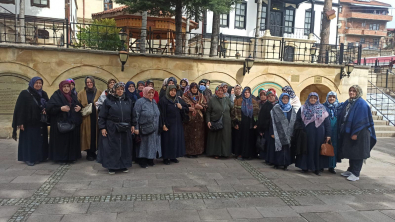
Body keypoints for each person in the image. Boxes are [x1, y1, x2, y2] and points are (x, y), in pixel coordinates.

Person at [338, 85, 376, 181]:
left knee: (358, 153)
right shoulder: (349, 102)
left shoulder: (361, 104)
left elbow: (361, 121)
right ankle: (350, 170)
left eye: (354, 91)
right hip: (351, 131)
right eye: (350, 90)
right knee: (352, 152)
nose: (351, 92)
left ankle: (356, 173)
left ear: (358, 92)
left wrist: (356, 133)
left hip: (360, 133)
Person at [12, 77, 49, 166]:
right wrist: (20, 122)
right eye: (36, 83)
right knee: (29, 141)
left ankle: (40, 157)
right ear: (32, 83)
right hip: (29, 122)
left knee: (39, 140)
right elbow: (20, 109)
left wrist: (46, 109)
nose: (38, 84)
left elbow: (48, 104)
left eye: (40, 83)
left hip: (40, 121)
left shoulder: (43, 94)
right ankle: (28, 158)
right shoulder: (25, 94)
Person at [98, 83, 133, 174]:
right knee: (112, 147)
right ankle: (112, 166)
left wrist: (133, 125)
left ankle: (124, 165)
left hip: (125, 127)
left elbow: (133, 114)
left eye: (121, 89)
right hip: (112, 127)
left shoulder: (128, 100)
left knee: (125, 146)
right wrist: (103, 128)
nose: (120, 91)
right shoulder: (108, 101)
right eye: (118, 89)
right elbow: (102, 116)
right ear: (114, 90)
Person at [294, 92, 331, 176]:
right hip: (306, 133)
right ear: (308, 98)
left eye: (315, 98)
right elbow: (298, 120)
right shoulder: (303, 108)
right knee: (306, 149)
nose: (313, 99)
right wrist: (300, 129)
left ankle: (317, 168)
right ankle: (305, 167)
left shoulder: (322, 109)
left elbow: (327, 123)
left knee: (317, 149)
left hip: (319, 134)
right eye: (311, 98)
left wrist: (328, 135)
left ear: (317, 99)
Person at [46, 80, 82, 162]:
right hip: (60, 123)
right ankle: (60, 158)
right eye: (64, 87)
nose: (66, 88)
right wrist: (60, 109)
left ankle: (71, 157)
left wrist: (79, 107)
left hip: (71, 123)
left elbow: (78, 104)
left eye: (68, 86)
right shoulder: (56, 95)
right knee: (61, 142)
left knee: (71, 141)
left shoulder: (73, 95)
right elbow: (49, 108)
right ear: (61, 87)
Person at [132, 86, 162, 168]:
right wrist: (136, 128)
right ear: (145, 93)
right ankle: (142, 160)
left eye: (152, 93)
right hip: (144, 128)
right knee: (144, 145)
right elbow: (136, 116)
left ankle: (150, 159)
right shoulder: (140, 102)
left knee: (152, 144)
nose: (151, 94)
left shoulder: (154, 102)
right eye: (149, 93)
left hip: (154, 128)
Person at [159, 85, 188, 164]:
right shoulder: (164, 100)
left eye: (174, 91)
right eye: (171, 90)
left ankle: (173, 156)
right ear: (168, 91)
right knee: (167, 141)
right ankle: (166, 158)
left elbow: (186, 108)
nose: (173, 92)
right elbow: (161, 114)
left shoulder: (178, 100)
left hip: (177, 124)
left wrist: (181, 107)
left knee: (175, 141)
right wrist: (163, 124)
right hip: (168, 124)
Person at [78, 76, 102, 161]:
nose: (89, 84)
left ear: (93, 83)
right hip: (86, 117)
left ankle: (94, 151)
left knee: (95, 134)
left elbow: (102, 102)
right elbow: (78, 103)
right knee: (88, 135)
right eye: (87, 82)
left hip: (96, 116)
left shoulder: (99, 92)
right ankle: (89, 153)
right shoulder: (81, 93)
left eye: (90, 82)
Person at [232, 87, 259, 160]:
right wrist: (235, 123)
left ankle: (249, 154)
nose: (246, 94)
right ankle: (240, 154)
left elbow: (257, 114)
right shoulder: (238, 101)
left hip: (250, 123)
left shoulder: (254, 102)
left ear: (250, 93)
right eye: (245, 92)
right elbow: (234, 113)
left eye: (248, 92)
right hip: (241, 123)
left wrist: (256, 123)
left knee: (250, 139)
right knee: (241, 139)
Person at [206, 85, 233, 158]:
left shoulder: (227, 99)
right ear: (216, 92)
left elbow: (231, 108)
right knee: (216, 138)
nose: (220, 92)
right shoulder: (212, 100)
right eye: (219, 90)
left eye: (222, 90)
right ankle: (216, 153)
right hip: (216, 121)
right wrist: (208, 121)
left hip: (226, 122)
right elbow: (208, 111)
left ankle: (225, 153)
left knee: (225, 138)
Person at [271, 93, 296, 170]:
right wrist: (272, 132)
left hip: (288, 132)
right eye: (283, 98)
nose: (285, 100)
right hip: (278, 131)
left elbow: (294, 120)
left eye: (287, 98)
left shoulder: (291, 109)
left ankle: (285, 163)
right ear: (280, 99)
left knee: (286, 149)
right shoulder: (275, 108)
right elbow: (272, 121)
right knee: (279, 149)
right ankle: (277, 163)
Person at [182, 82, 207, 158]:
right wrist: (189, 107)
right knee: (189, 136)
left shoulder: (201, 96)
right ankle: (189, 152)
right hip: (189, 119)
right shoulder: (185, 96)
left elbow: (206, 105)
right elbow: (183, 106)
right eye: (192, 88)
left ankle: (197, 151)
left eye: (195, 88)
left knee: (198, 136)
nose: (194, 89)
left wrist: (201, 107)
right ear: (190, 88)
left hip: (199, 120)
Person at [323, 91, 342, 174]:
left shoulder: (339, 107)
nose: (331, 98)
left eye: (333, 97)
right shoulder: (323, 107)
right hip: (325, 129)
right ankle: (323, 165)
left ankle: (332, 166)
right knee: (325, 145)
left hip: (336, 130)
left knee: (334, 147)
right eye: (330, 97)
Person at [257, 91, 277, 163]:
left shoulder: (277, 105)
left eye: (272, 96)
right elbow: (261, 118)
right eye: (270, 96)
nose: (271, 97)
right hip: (267, 128)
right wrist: (261, 129)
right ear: (267, 97)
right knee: (267, 144)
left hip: (276, 128)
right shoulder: (266, 105)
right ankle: (267, 158)